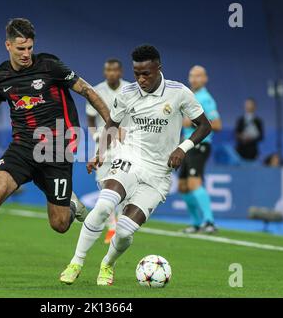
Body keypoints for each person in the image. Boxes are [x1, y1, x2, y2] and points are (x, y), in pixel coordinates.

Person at [0, 18, 110, 282]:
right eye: (20, 49)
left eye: (29, 47)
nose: (27, 54)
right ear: (8, 45)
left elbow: (86, 90)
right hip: (22, 146)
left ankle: (69, 202)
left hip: (57, 146)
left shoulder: (50, 66)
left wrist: (111, 125)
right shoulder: (1, 77)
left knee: (60, 224)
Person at [59, 45, 211, 286]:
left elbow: (205, 125)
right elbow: (111, 124)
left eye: (146, 74)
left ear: (158, 68)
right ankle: (76, 262)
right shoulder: (128, 93)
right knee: (103, 206)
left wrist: (182, 148)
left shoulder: (178, 92)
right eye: (137, 73)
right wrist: (99, 153)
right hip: (128, 158)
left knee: (124, 231)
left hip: (158, 173)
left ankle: (107, 264)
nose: (141, 79)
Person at [85, 58, 130, 244]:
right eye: (108, 70)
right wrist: (96, 136)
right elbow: (90, 117)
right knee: (105, 186)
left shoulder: (130, 89)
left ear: (120, 72)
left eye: (115, 70)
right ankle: (112, 226)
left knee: (123, 185)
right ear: (105, 72)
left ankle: (118, 224)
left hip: (126, 145)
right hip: (104, 144)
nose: (111, 73)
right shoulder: (97, 90)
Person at [179, 65, 222, 234]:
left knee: (194, 182)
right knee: (183, 186)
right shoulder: (191, 96)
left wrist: (193, 121)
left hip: (200, 144)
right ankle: (196, 223)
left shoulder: (205, 98)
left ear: (205, 79)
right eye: (192, 76)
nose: (194, 79)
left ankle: (209, 221)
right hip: (187, 145)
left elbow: (217, 124)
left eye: (198, 76)